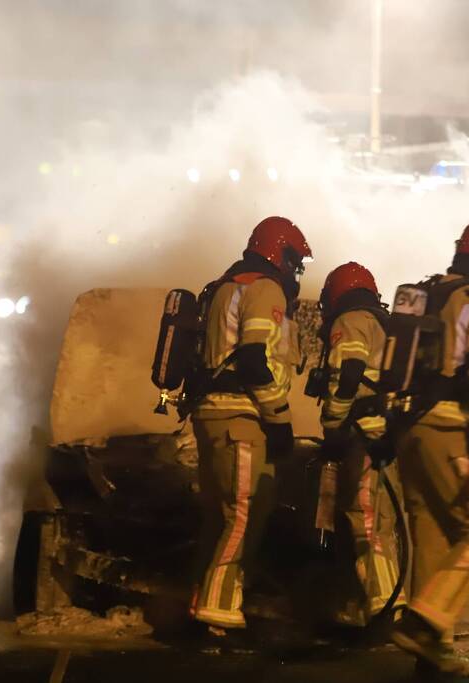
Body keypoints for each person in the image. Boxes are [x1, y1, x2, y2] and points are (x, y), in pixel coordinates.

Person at [390, 215, 469, 677]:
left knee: (432, 534)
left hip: (410, 429)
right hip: (450, 429)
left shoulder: (429, 293)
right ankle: (426, 623)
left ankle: (432, 648)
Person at [191, 216, 312, 639]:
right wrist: (279, 420)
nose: (295, 271)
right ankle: (217, 610)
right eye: (294, 261)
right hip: (241, 416)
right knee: (244, 514)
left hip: (213, 414)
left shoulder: (226, 286)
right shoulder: (264, 288)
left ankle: (205, 599)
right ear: (279, 253)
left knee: (221, 516)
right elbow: (253, 360)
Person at [315, 262, 404, 627]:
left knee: (367, 522)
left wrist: (333, 427)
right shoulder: (381, 324)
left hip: (366, 434)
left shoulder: (350, 321)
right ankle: (389, 601)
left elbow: (349, 373)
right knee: (382, 521)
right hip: (387, 434)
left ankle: (386, 608)